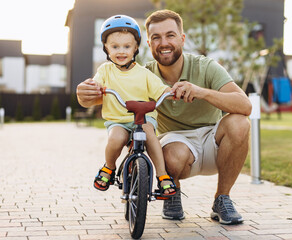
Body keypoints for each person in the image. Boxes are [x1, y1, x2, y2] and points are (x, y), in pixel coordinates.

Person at [77, 10, 252, 225]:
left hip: (212, 141)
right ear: (148, 44)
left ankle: (222, 199)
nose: (164, 42)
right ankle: (172, 191)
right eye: (156, 38)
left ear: (182, 38)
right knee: (166, 152)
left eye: (170, 35)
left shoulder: (205, 66)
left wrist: (201, 92)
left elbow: (245, 105)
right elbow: (101, 96)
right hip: (177, 145)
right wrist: (84, 95)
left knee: (240, 122)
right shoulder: (142, 73)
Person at [88, 14, 177, 198]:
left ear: (136, 47)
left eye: (127, 46)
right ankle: (109, 167)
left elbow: (160, 89)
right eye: (115, 46)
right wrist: (95, 87)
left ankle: (162, 175)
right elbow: (96, 84)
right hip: (118, 120)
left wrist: (169, 92)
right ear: (106, 48)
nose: (121, 51)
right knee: (115, 139)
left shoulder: (144, 74)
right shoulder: (105, 70)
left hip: (144, 117)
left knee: (149, 134)